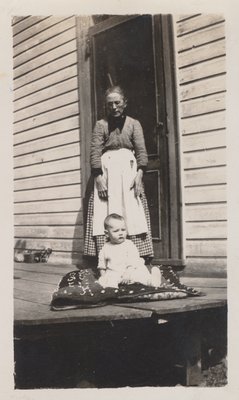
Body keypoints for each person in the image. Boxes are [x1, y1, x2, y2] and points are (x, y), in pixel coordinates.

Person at [84, 85, 154, 262]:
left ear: (125, 103)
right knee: (105, 208)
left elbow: (141, 152)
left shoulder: (133, 124)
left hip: (129, 173)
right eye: (110, 104)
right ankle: (106, 255)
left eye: (117, 102)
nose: (114, 107)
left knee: (130, 208)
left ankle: (136, 256)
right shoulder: (101, 125)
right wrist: (98, 178)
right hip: (107, 172)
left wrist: (139, 176)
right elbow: (94, 152)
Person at [97, 214, 161, 288]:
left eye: (123, 230)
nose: (121, 233)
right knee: (105, 281)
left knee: (139, 275)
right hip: (115, 272)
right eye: (116, 231)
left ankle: (153, 280)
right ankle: (116, 288)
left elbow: (133, 261)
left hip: (131, 269)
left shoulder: (129, 244)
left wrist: (127, 274)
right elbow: (102, 266)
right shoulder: (105, 247)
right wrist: (104, 277)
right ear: (107, 233)